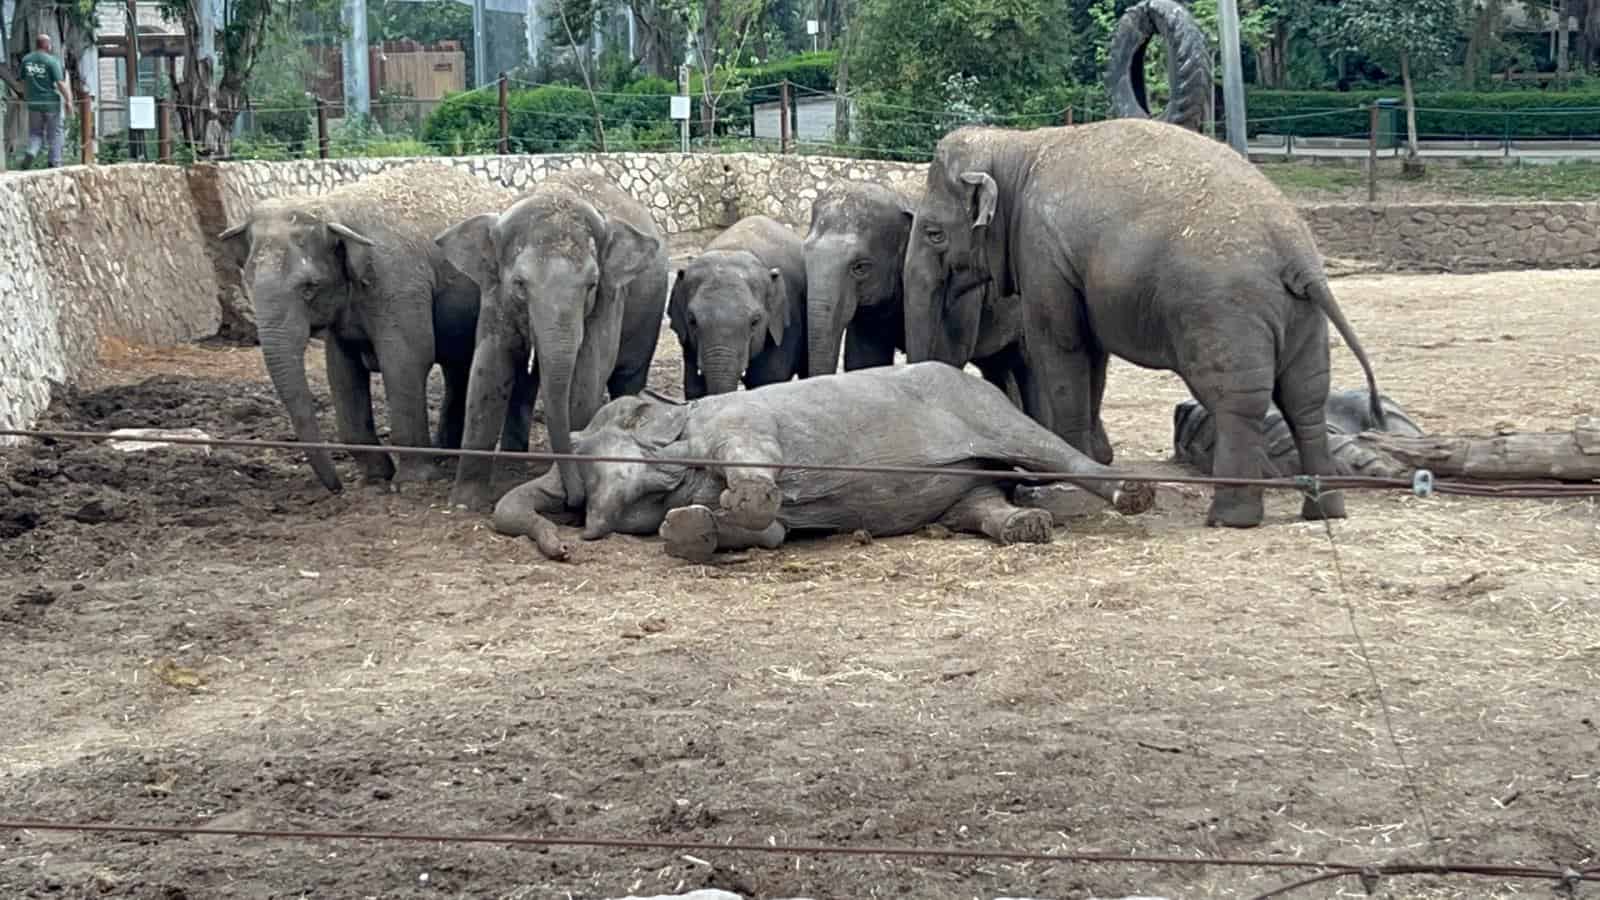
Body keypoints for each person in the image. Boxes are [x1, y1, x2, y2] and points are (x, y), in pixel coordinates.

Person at [20, 34, 73, 169]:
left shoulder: (26, 60)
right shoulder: (52, 61)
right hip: (51, 104)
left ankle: (31, 152)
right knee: (55, 133)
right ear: (48, 45)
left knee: (35, 133)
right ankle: (55, 162)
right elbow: (60, 83)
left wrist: (27, 96)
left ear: (36, 44)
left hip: (33, 104)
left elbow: (22, 82)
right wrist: (68, 100)